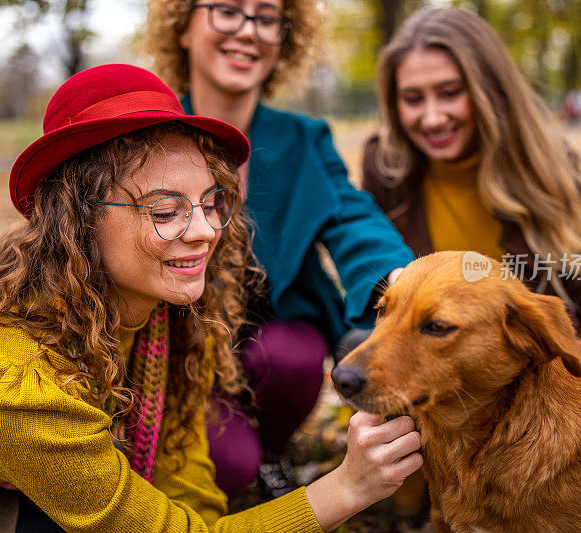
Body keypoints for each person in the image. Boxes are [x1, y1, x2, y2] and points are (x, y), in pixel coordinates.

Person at [0, 63, 424, 532]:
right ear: (78, 221)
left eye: (211, 202)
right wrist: (346, 489)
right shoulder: (6, 380)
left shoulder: (163, 317)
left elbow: (187, 491)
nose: (205, 231)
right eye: (165, 211)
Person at [147, 0, 415, 499]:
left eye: (266, 17)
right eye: (227, 11)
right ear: (182, 27)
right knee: (225, 467)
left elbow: (350, 215)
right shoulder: (148, 131)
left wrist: (396, 278)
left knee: (293, 356)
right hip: (174, 348)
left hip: (269, 342)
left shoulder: (303, 139)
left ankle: (271, 447)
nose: (249, 31)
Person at [362, 7, 581, 337]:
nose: (432, 118)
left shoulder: (546, 166)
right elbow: (375, 289)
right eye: (413, 99)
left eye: (449, 93)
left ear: (490, 90)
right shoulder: (386, 168)